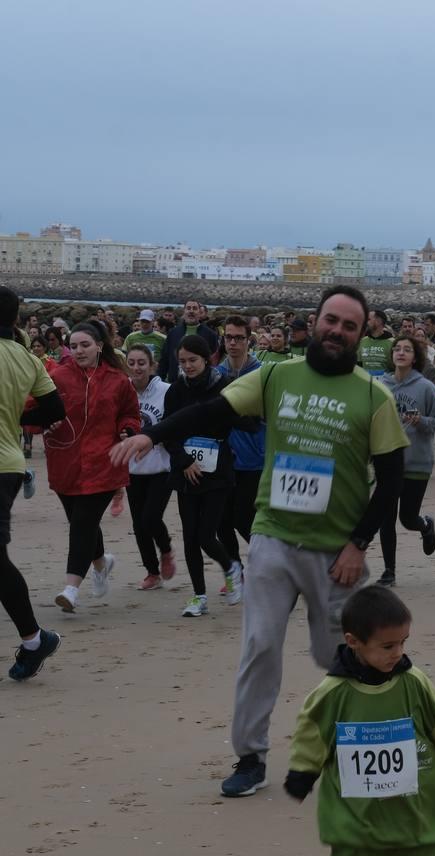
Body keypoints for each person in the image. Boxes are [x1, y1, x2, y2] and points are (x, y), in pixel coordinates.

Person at [111, 285, 410, 798]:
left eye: (349, 325)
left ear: (362, 335)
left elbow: (392, 479)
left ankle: (369, 746)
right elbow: (212, 412)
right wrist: (152, 436)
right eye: (330, 320)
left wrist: (359, 543)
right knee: (259, 646)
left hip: (335, 552)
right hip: (272, 537)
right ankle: (250, 756)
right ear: (315, 322)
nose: (337, 330)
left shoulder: (373, 396)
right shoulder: (274, 375)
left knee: (339, 654)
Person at [284, 586, 435, 856]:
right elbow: (313, 728)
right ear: (353, 642)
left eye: (403, 642)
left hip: (409, 796)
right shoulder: (333, 691)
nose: (398, 653)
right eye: (387, 646)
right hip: (353, 801)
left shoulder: (413, 681)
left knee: (420, 848)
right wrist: (303, 771)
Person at [47, 320, 141, 613]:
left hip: (105, 463)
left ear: (100, 345)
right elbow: (34, 408)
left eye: (85, 345)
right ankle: (101, 564)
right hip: (66, 463)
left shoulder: (118, 380)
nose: (78, 351)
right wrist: (45, 422)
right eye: (73, 346)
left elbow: (130, 414)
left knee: (82, 524)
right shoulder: (58, 376)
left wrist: (128, 429)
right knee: (81, 522)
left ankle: (70, 589)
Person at [1, 286, 66, 680]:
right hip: (9, 462)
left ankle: (34, 639)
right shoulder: (28, 359)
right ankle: (33, 640)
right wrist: (16, 419)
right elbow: (55, 409)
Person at [164, 335, 244, 617]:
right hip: (186, 470)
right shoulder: (175, 391)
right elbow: (167, 431)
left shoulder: (223, 386)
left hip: (217, 469)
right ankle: (199, 596)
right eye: (182, 361)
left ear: (207, 359)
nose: (187, 366)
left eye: (192, 360)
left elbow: (238, 420)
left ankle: (231, 567)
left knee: (206, 534)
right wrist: (183, 460)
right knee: (189, 537)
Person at [375, 336, 435, 586]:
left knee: (407, 518)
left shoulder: (425, 387)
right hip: (387, 461)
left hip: (417, 460)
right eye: (397, 349)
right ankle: (389, 571)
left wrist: (420, 421)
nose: (401, 353)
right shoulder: (380, 385)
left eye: (407, 350)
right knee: (386, 518)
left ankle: (425, 526)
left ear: (415, 357)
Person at [216, 316, 265, 597]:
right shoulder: (216, 374)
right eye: (228, 338)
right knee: (222, 519)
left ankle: (267, 562)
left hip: (254, 457)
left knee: (244, 517)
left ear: (249, 340)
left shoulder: (262, 373)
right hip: (223, 457)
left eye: (239, 338)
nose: (233, 343)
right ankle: (236, 570)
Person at [125, 345, 177, 590]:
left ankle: (166, 549)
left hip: (161, 466)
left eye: (142, 363)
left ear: (152, 365)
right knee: (138, 523)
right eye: (132, 362)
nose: (136, 368)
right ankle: (152, 573)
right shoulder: (122, 391)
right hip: (132, 467)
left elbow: (177, 422)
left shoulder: (166, 390)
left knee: (150, 517)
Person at [157, 299, 219, 382]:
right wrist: (160, 379)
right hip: (175, 382)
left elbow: (214, 361)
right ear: (184, 312)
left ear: (199, 313)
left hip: (201, 383)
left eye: (194, 308)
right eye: (188, 308)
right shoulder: (173, 333)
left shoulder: (210, 334)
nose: (191, 311)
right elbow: (165, 358)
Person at [358, 309, 395, 376]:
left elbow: (396, 368)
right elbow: (358, 366)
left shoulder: (392, 343)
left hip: (384, 384)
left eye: (368, 319)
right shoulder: (363, 341)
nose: (365, 322)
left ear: (378, 321)